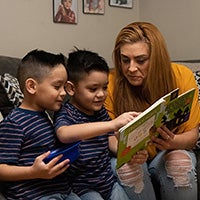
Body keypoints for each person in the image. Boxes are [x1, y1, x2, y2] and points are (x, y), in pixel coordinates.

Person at [104, 21, 200, 200]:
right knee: (127, 169)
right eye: (125, 60)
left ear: (156, 58)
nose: (131, 68)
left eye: (141, 60)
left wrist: (173, 142)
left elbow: (192, 135)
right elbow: (108, 136)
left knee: (180, 164)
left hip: (167, 151)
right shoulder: (110, 82)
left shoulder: (181, 76)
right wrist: (127, 151)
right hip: (129, 156)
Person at [54, 48, 144, 200]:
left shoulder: (100, 111)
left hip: (108, 181)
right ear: (71, 88)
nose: (101, 94)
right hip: (83, 188)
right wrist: (112, 124)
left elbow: (111, 141)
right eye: (93, 89)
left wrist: (130, 153)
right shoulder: (66, 113)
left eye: (105, 87)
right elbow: (63, 134)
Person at [0, 49, 81, 200]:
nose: (64, 93)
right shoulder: (14, 123)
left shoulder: (45, 115)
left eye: (64, 87)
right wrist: (33, 172)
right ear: (31, 86)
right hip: (36, 195)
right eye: (57, 87)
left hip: (62, 191)